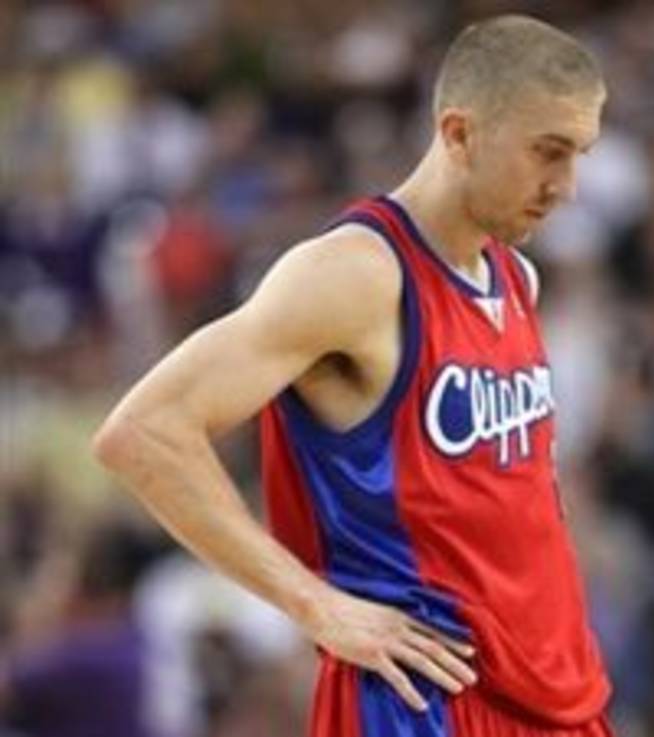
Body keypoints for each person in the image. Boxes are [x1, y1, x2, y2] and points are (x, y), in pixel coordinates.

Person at [93, 14, 614, 737]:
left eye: (578, 155)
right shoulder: (355, 274)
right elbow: (141, 432)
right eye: (547, 152)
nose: (566, 186)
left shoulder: (514, 277)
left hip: (550, 692)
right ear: (459, 133)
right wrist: (316, 606)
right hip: (424, 701)